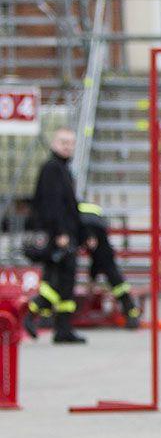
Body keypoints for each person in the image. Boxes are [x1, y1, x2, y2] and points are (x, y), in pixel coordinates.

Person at [23, 127, 86, 343]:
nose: (67, 147)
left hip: (66, 233)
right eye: (63, 142)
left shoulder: (63, 169)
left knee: (64, 281)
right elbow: (52, 204)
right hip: (58, 235)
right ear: (53, 144)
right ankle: (31, 312)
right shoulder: (52, 168)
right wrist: (60, 232)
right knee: (58, 280)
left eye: (71, 143)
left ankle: (63, 329)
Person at [79, 203, 141, 329]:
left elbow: (95, 255)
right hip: (105, 255)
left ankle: (131, 315)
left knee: (118, 285)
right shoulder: (93, 216)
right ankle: (131, 314)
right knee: (119, 285)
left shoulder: (84, 221)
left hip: (103, 256)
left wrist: (92, 279)